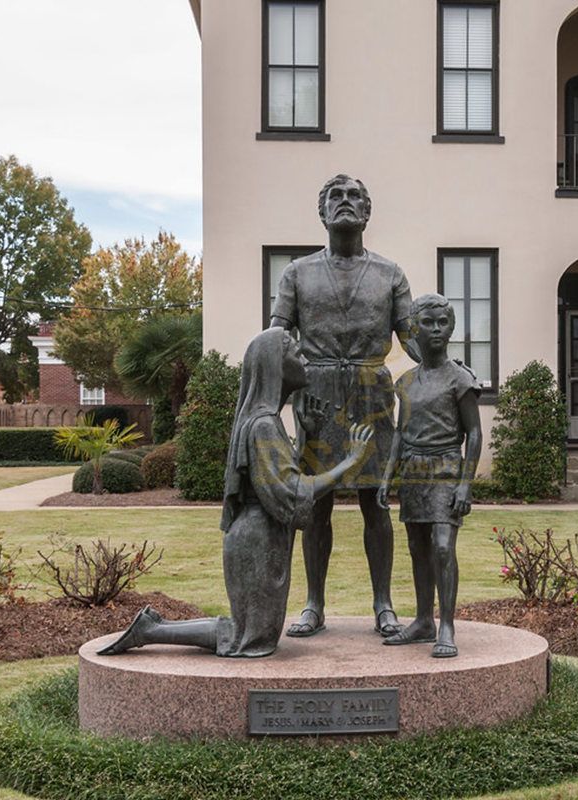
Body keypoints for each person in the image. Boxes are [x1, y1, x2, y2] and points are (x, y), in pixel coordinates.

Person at [98, 327, 373, 658]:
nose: (304, 358)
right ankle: (152, 630)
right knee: (250, 638)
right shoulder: (264, 424)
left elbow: (282, 477)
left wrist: (310, 439)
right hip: (257, 542)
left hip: (260, 537)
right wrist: (350, 462)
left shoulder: (265, 420)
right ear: (275, 365)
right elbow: (291, 490)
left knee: (250, 635)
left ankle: (152, 628)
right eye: (295, 352)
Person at [270, 174, 418, 639]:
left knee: (377, 503)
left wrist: (446, 367)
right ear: (322, 212)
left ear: (367, 212)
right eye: (336, 196)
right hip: (315, 395)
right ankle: (314, 603)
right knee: (316, 502)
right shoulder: (296, 274)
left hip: (372, 393)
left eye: (355, 196)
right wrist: (274, 397)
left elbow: (412, 337)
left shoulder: (390, 274)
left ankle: (383, 604)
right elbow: (277, 337)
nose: (345, 203)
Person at [377, 294, 482, 658]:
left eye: (443, 322)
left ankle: (447, 625)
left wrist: (466, 484)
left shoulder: (460, 379)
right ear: (414, 329)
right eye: (428, 323)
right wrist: (388, 477)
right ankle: (423, 620)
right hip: (414, 472)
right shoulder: (404, 383)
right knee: (418, 549)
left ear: (451, 327)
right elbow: (400, 433)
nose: (436, 329)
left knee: (441, 547)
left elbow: (475, 433)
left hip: (446, 469)